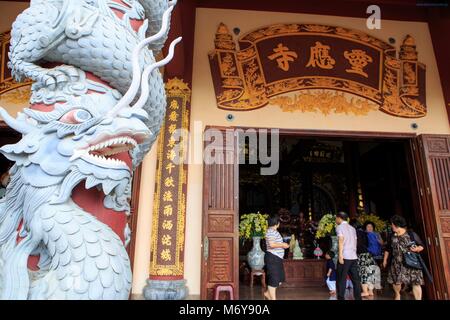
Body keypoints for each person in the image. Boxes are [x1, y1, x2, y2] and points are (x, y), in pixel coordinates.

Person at [383, 215, 425, 300]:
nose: (392, 226)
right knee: (396, 281)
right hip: (396, 262)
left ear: (396, 225)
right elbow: (387, 249)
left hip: (411, 262)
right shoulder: (392, 236)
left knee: (415, 282)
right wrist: (385, 260)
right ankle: (397, 295)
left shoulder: (410, 234)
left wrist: (417, 248)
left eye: (392, 224)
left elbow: (421, 246)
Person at [335, 212, 362, 300]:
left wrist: (340, 255)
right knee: (356, 280)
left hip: (345, 256)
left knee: (341, 279)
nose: (335, 220)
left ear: (339, 218)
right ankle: (358, 298)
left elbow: (341, 241)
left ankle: (341, 298)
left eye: (336, 218)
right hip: (353, 256)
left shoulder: (339, 227)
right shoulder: (352, 228)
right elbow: (355, 242)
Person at [264, 214, 289, 300]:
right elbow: (271, 244)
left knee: (280, 279)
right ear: (277, 223)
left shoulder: (274, 231)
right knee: (274, 279)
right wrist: (283, 245)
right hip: (272, 258)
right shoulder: (271, 231)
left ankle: (267, 293)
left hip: (277, 258)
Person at [351, 219, 377, 297]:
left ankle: (365, 291)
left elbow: (357, 245)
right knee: (370, 273)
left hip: (362, 255)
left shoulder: (356, 232)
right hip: (369, 255)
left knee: (363, 274)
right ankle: (370, 291)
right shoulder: (366, 233)